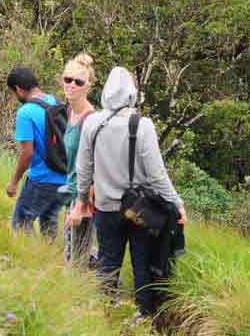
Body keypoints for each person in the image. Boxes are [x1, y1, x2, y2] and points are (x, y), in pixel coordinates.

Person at [74, 67, 187, 317]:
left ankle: (105, 315)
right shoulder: (142, 125)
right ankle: (144, 316)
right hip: (140, 211)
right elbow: (157, 174)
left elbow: (83, 169)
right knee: (142, 265)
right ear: (131, 93)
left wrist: (83, 200)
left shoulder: (92, 122)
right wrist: (176, 202)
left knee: (108, 263)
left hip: (105, 208)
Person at [6, 67, 67, 238]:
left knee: (21, 222)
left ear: (18, 89)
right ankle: (47, 258)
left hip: (42, 179)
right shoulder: (57, 102)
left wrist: (13, 182)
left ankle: (28, 261)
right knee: (49, 219)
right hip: (64, 177)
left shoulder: (25, 112)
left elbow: (27, 154)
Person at [57, 54, 98, 265]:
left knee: (76, 262)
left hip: (84, 199)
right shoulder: (70, 112)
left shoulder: (91, 120)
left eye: (78, 81)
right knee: (74, 255)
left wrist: (81, 206)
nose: (71, 85)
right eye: (67, 79)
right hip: (72, 191)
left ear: (88, 86)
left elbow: (94, 168)